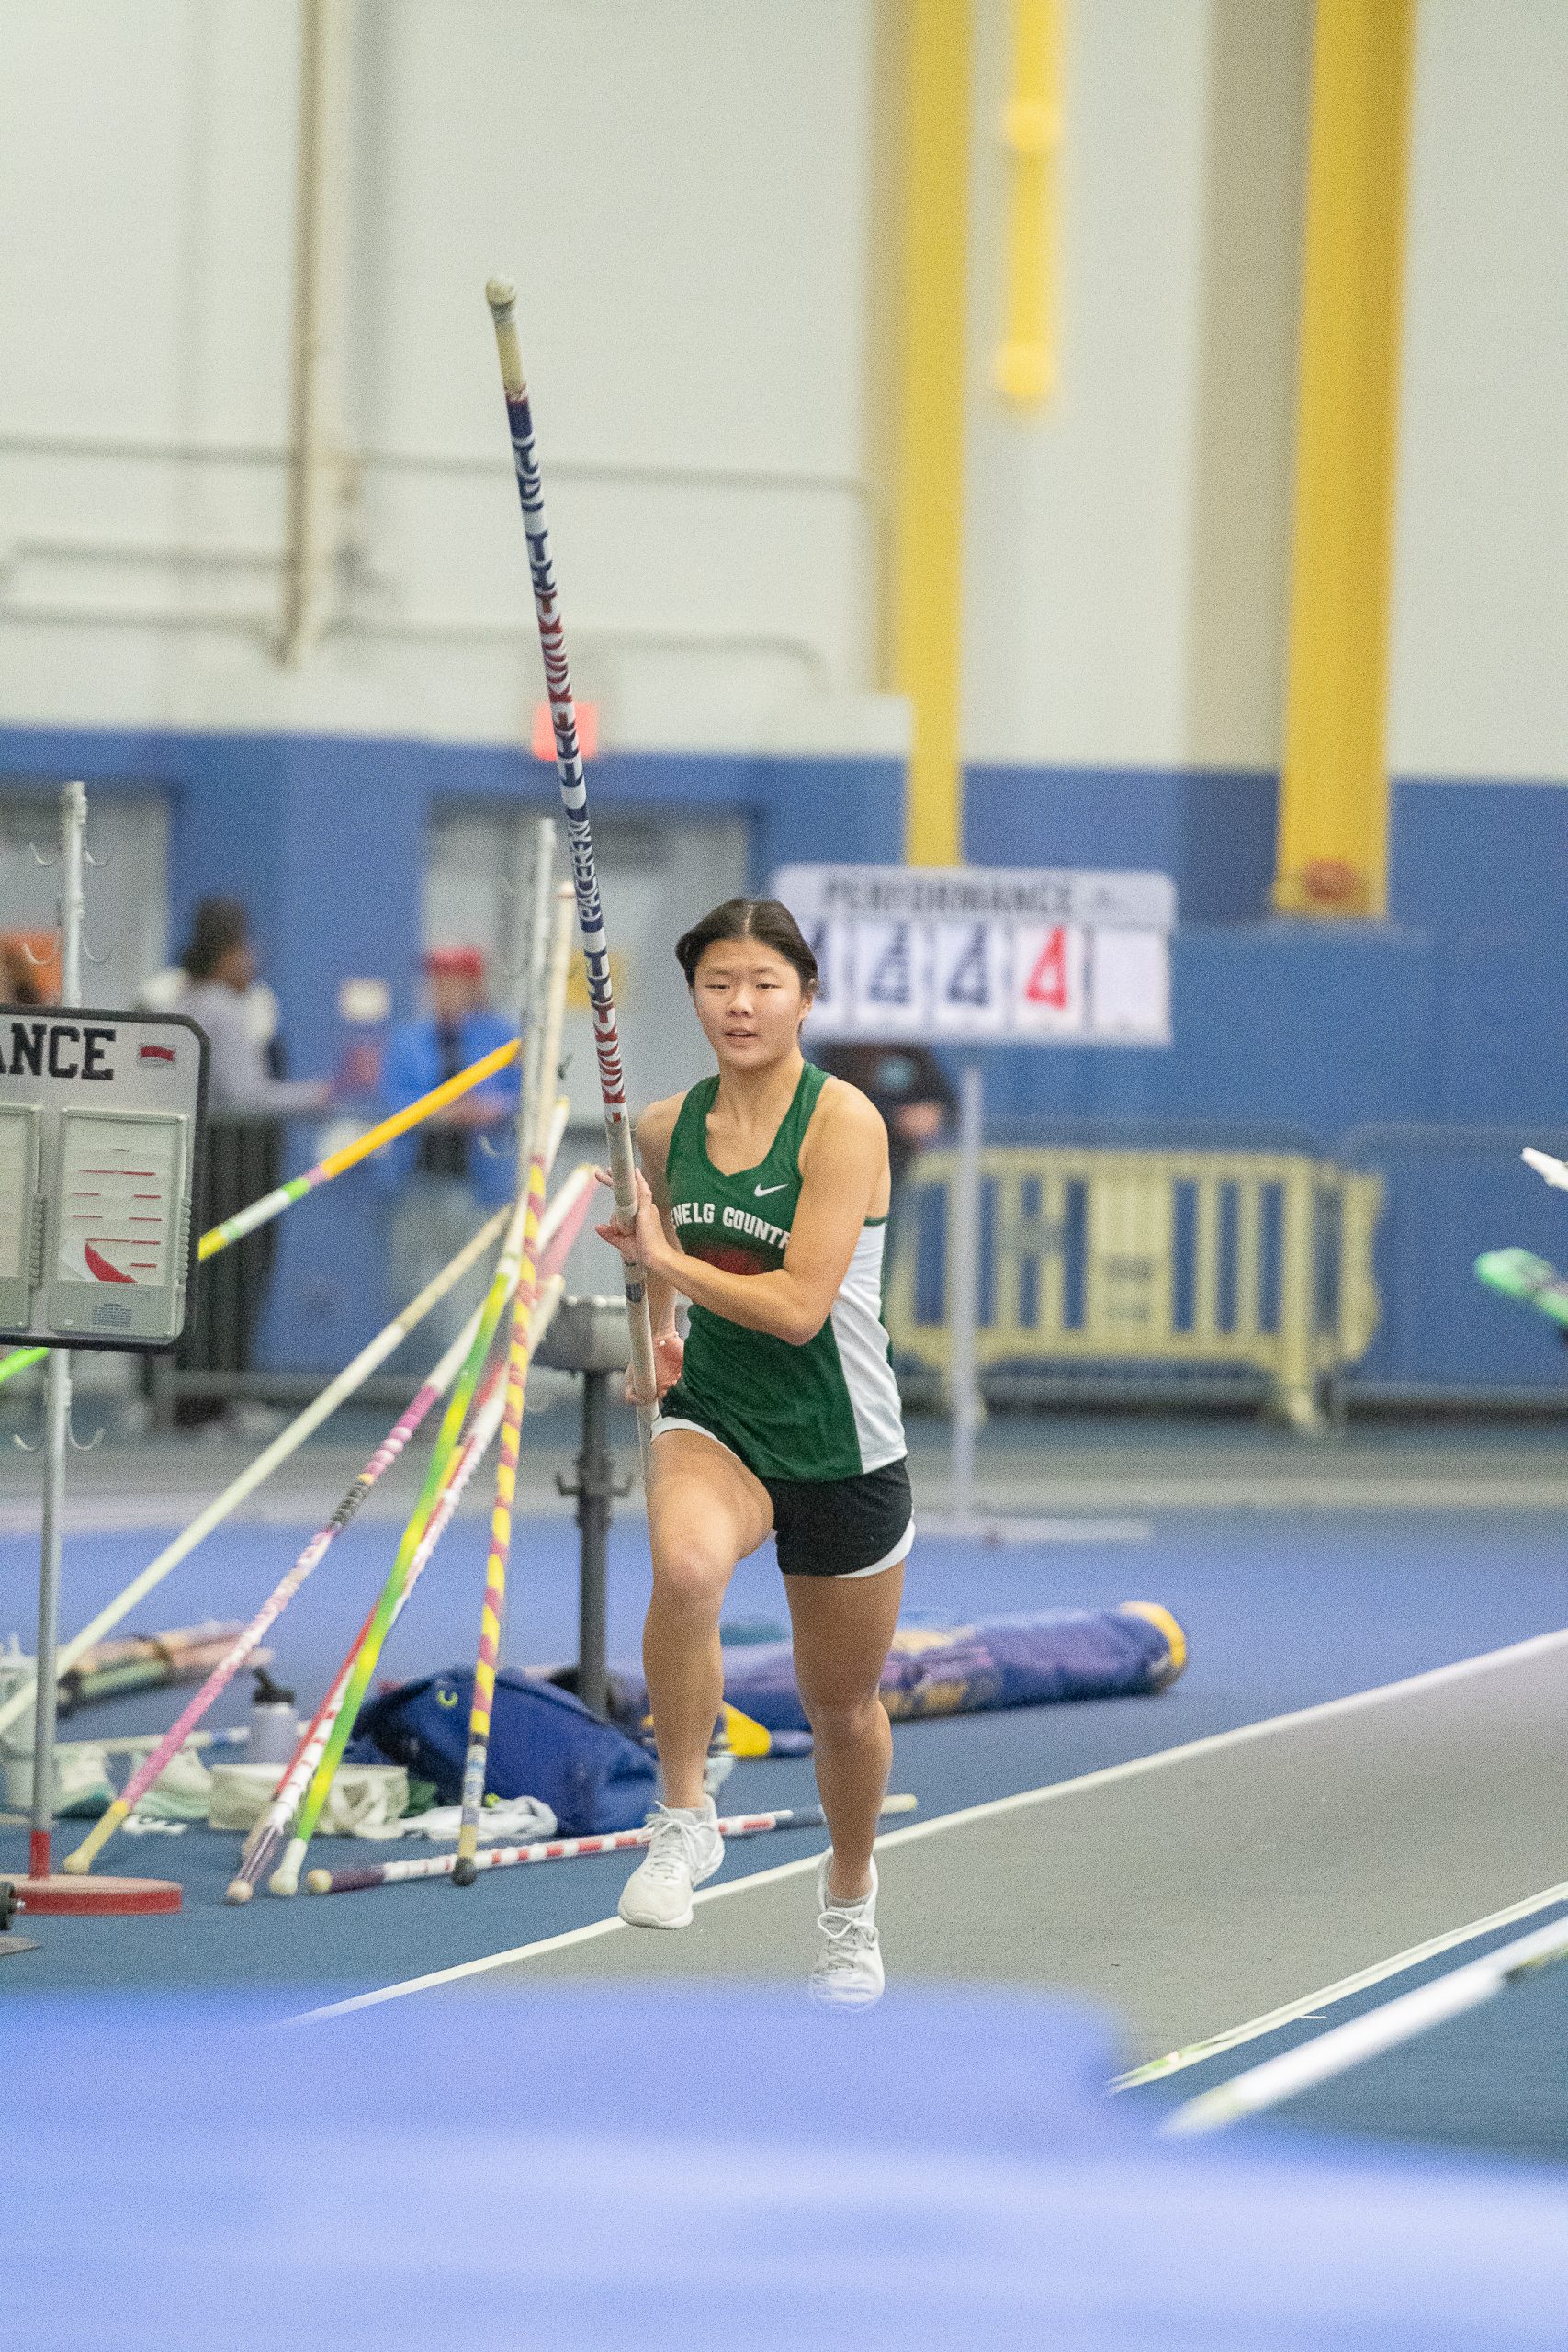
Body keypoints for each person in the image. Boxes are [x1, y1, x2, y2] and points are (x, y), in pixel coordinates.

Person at [594, 898, 911, 2007]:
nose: (741, 1003)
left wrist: (668, 1269)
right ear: (694, 997)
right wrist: (662, 1336)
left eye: (765, 984)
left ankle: (850, 1896)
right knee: (685, 1568)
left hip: (841, 1441)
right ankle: (683, 1816)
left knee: (841, 1711)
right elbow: (656, 1255)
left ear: (805, 998)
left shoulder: (845, 1125)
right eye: (720, 983)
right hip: (719, 1419)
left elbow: (796, 1307)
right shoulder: (660, 1128)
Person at [375, 946, 520, 1353]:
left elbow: (518, 1097)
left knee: (470, 1295)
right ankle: (416, 1391)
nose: (444, 991)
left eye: (454, 981)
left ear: (474, 985)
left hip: (479, 1188)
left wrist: (482, 1110)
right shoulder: (410, 1038)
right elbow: (397, 1100)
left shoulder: (500, 1036)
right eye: (437, 981)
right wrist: (452, 1111)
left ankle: (465, 1395)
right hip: (416, 1182)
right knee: (407, 1293)